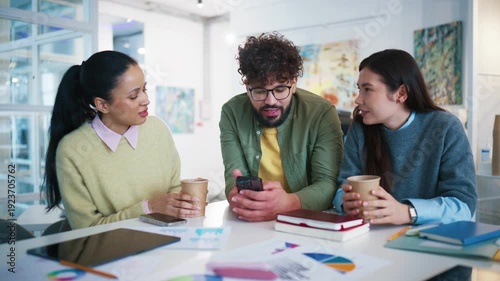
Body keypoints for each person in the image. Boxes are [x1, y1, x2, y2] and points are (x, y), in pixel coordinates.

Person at [43, 50, 200, 229]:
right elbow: (86, 229)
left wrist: (186, 203)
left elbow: (174, 189)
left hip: (168, 244)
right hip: (110, 253)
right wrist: (148, 208)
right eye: (134, 96)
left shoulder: (157, 129)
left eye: (144, 89)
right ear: (102, 105)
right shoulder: (72, 150)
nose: (146, 100)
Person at [333, 49, 477, 225]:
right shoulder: (360, 128)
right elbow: (343, 185)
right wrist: (344, 201)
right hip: (371, 237)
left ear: (401, 93)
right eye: (359, 89)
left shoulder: (446, 127)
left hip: (429, 240)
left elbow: (463, 206)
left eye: (368, 89)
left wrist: (407, 212)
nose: (358, 100)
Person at [219, 32, 344, 222]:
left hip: (306, 221)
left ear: (293, 84)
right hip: (252, 223)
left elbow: (328, 184)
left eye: (280, 90)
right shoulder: (232, 112)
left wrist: (290, 202)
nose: (271, 101)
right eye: (260, 91)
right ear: (247, 87)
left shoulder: (322, 113)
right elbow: (233, 176)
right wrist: (235, 195)